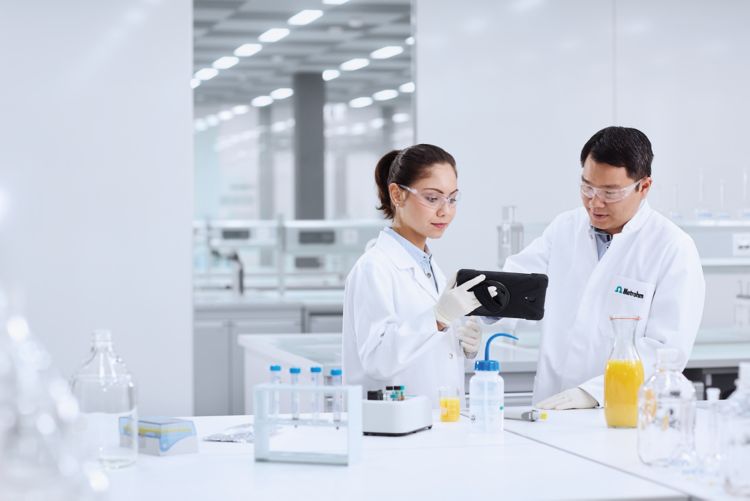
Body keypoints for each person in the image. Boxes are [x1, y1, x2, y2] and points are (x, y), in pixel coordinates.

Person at [499, 126, 705, 409]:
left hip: (622, 413)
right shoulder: (565, 229)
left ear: (643, 187)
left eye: (610, 192)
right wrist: (476, 309)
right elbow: (515, 280)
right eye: (587, 187)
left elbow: (666, 350)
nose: (594, 203)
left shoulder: (672, 247)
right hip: (552, 406)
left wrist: (592, 393)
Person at [342, 144, 490, 405]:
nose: (445, 211)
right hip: (391, 426)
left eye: (452, 199)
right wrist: (438, 319)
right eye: (433, 198)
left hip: (438, 419)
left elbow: (426, 347)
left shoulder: (429, 267)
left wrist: (462, 343)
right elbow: (377, 360)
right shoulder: (374, 268)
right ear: (397, 195)